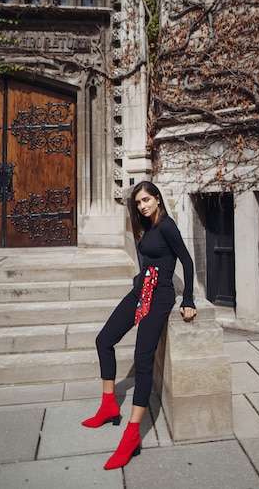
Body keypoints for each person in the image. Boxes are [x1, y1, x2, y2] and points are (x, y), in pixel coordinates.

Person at [82, 180, 197, 470]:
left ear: (157, 199)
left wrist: (190, 300)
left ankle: (132, 435)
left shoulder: (168, 227)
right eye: (138, 203)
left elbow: (187, 260)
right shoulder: (145, 226)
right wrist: (139, 281)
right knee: (103, 340)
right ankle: (109, 406)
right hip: (141, 289)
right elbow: (146, 260)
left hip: (160, 296)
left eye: (146, 200)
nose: (143, 206)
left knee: (142, 359)